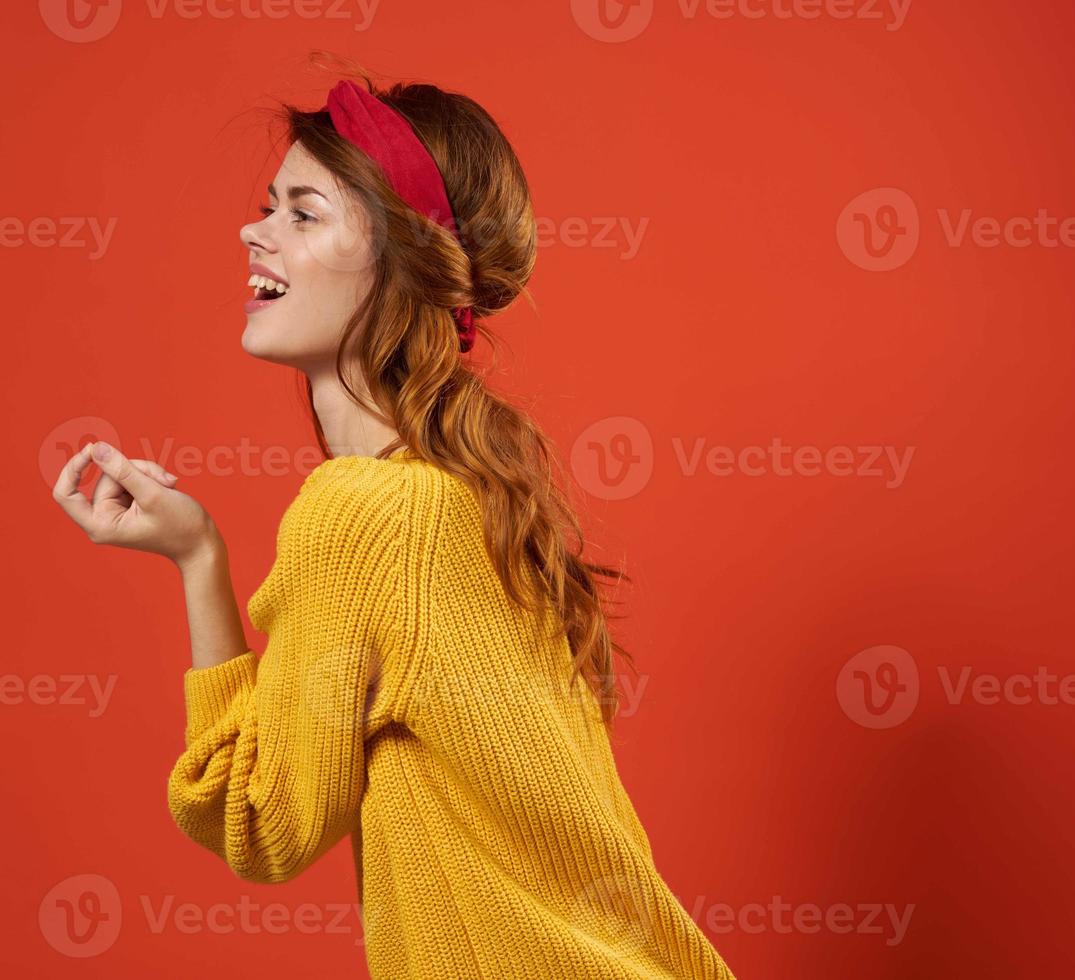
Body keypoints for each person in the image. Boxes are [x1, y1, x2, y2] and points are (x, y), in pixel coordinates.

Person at [52, 70, 737, 980]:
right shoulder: (463, 492)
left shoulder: (367, 513)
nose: (254, 231)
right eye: (270, 206)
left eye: (304, 213)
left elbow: (258, 822)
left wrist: (197, 560)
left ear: (402, 259)